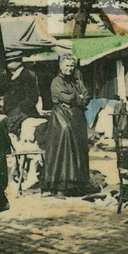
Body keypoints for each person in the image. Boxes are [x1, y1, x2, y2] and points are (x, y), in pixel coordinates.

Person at [42, 54, 92, 196]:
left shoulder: (77, 81)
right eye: (67, 66)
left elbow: (86, 97)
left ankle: (77, 185)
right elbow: (67, 98)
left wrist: (77, 98)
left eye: (72, 66)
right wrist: (78, 97)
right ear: (60, 66)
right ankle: (60, 186)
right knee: (64, 149)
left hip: (77, 118)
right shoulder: (56, 82)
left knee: (79, 148)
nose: (69, 69)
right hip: (61, 118)